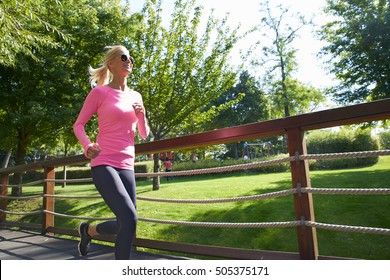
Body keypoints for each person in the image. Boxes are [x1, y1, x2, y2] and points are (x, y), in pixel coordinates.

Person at [73, 45, 150, 260]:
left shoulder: (136, 96)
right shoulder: (100, 92)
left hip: (126, 163)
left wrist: (141, 115)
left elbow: (143, 134)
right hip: (104, 162)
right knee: (130, 219)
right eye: (123, 57)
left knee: (126, 222)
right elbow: (78, 125)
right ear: (111, 64)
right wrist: (88, 145)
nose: (129, 61)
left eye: (130, 58)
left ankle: (87, 231)